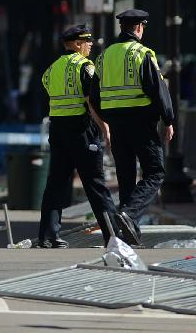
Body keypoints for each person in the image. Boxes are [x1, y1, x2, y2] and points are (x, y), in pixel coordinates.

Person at [37, 24, 129, 248]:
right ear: (77, 44)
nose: (90, 46)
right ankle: (113, 236)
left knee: (56, 183)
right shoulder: (85, 67)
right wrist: (104, 126)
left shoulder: (51, 70)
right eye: (87, 42)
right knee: (95, 183)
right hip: (81, 130)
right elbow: (91, 102)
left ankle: (48, 236)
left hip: (57, 129)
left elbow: (49, 92)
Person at [94, 9, 175, 244]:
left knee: (126, 176)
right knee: (155, 172)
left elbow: (94, 95)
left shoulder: (105, 56)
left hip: (117, 124)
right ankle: (129, 215)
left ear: (122, 27)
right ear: (139, 27)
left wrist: (106, 118)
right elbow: (158, 90)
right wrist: (167, 119)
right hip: (141, 122)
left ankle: (127, 233)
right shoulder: (142, 53)